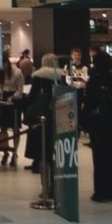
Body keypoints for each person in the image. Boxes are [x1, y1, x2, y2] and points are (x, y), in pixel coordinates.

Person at [83, 51, 112, 202]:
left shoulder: (95, 79)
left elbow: (90, 101)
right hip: (110, 119)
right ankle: (110, 190)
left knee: (99, 156)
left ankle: (100, 191)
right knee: (109, 154)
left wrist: (83, 119)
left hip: (97, 121)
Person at [23, 53, 63, 184]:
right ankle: (56, 184)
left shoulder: (38, 76)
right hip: (57, 117)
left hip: (40, 118)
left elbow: (32, 98)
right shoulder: (61, 77)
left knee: (42, 155)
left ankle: (45, 185)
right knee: (54, 153)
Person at [0, 52, 24, 167]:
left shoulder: (17, 72)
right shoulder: (0, 73)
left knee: (15, 128)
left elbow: (20, 90)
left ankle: (15, 153)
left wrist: (12, 97)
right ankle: (5, 150)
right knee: (3, 127)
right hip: (4, 99)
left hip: (15, 101)